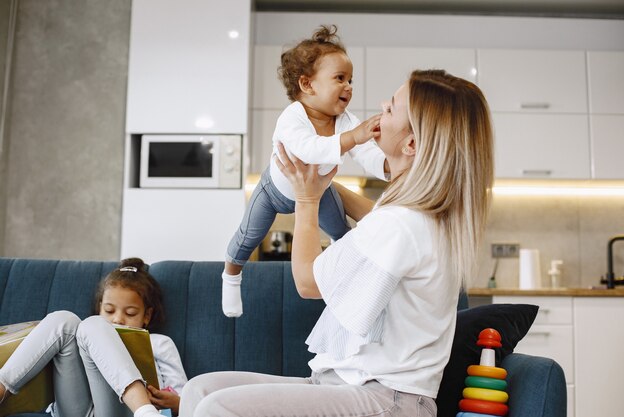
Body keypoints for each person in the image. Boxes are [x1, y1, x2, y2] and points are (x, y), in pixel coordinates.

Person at [179, 69, 494, 417]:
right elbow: (377, 219)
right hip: (348, 385)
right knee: (199, 390)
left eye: (391, 108)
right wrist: (314, 179)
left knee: (216, 407)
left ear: (412, 144)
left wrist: (306, 201)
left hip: (387, 399)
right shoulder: (419, 215)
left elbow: (308, 282)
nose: (380, 106)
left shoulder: (402, 224)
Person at [221, 24, 388, 318]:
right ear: (307, 85)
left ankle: (343, 274)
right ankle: (231, 277)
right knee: (247, 236)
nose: (348, 86)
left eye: (350, 80)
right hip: (273, 191)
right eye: (339, 78)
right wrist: (352, 138)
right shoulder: (292, 117)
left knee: (341, 231)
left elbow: (366, 151)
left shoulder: (346, 120)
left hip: (317, 191)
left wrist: (388, 166)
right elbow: (308, 150)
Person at [0, 258, 187, 417]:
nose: (118, 319)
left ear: (147, 315)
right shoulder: (87, 332)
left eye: (130, 313)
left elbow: (185, 395)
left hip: (120, 411)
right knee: (67, 320)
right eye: (109, 310)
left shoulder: (160, 343)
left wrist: (176, 403)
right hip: (76, 409)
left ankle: (145, 411)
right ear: (100, 307)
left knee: (93, 324)